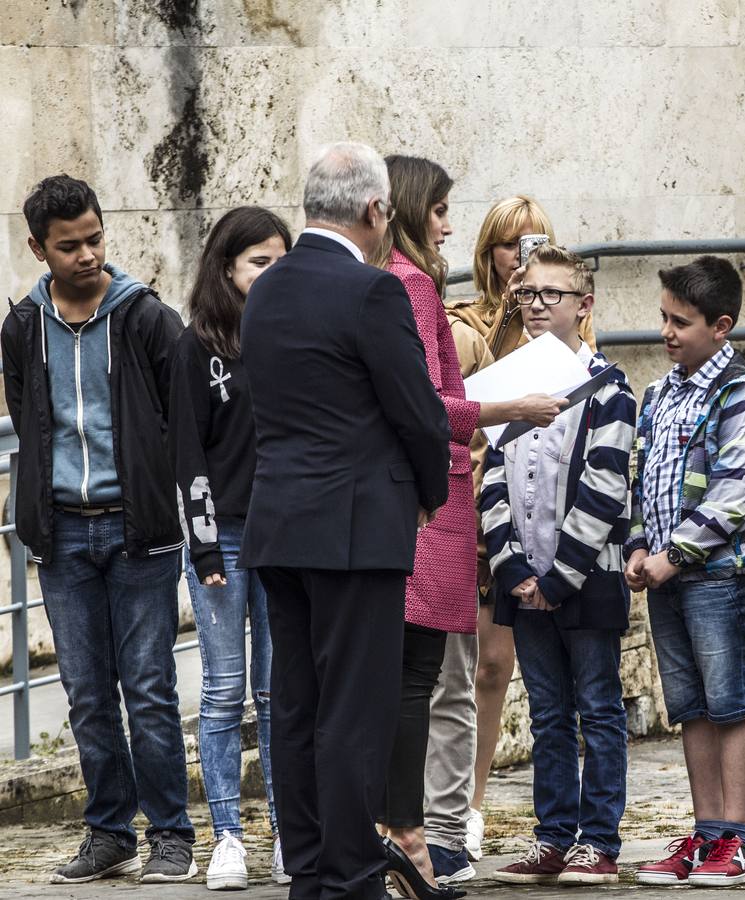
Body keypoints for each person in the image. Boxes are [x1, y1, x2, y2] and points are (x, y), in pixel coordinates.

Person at [239, 143, 451, 900]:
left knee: (295, 704)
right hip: (357, 530)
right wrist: (432, 493)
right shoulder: (372, 292)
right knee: (355, 710)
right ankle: (352, 874)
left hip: (280, 524)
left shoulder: (265, 289)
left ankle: (310, 867)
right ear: (373, 211)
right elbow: (420, 413)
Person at [370, 156, 564, 895]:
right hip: (441, 500)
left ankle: (427, 828)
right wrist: (512, 408)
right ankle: (421, 837)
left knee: (436, 679)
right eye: (442, 211)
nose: (447, 224)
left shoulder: (400, 282)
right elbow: (433, 403)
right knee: (428, 677)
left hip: (448, 506)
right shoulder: (415, 287)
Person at [2, 175, 197, 884]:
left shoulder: (147, 317)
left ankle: (171, 836)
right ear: (38, 247)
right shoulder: (23, 325)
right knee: (86, 691)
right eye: (68, 246)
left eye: (94, 238)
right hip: (62, 536)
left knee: (147, 687)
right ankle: (108, 831)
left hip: (139, 530)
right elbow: (30, 421)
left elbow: (184, 418)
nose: (86, 255)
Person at [438, 195, 596, 863]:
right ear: (488, 253)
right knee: (456, 667)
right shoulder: (467, 324)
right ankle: (451, 803)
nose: (519, 257)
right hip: (467, 509)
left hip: (536, 519)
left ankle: (473, 804)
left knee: (499, 667)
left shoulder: (567, 331)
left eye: (534, 244)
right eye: (508, 245)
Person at [482, 245, 635, 887]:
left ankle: (597, 840)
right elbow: (490, 478)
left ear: (584, 306)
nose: (538, 305)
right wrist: (512, 567)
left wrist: (557, 577)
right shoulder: (506, 385)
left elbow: (605, 488)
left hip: (584, 577)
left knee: (597, 706)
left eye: (553, 294)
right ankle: (552, 835)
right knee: (547, 711)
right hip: (523, 579)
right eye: (528, 295)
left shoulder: (608, 389)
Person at [623, 256, 745, 888]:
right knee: (689, 706)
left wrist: (673, 553)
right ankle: (707, 830)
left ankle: (737, 839)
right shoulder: (658, 394)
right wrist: (637, 545)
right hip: (663, 573)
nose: (666, 332)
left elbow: (735, 493)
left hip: (715, 576)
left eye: (680, 322)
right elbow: (638, 475)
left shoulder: (743, 392)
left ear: (721, 326)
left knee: (728, 700)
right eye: (662, 317)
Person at [169, 206, 293, 891]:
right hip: (226, 539)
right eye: (260, 263)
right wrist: (207, 550)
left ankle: (284, 833)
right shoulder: (197, 346)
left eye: (282, 261)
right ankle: (226, 838)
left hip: (285, 538)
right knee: (222, 693)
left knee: (279, 695)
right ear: (227, 268)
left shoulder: (289, 338)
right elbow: (187, 452)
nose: (273, 274)